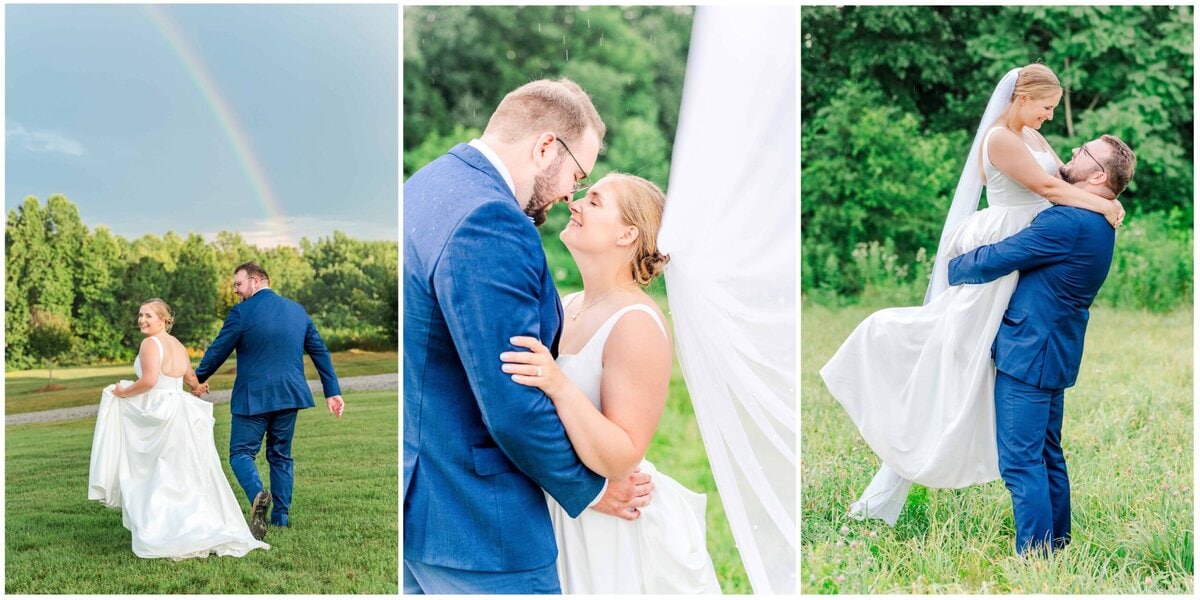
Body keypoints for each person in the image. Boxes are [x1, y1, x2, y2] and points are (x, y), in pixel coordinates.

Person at [819, 64, 1125, 525]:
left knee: (986, 368)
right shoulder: (1001, 138)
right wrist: (1105, 202)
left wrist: (1102, 194)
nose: (1050, 117)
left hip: (1034, 244)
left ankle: (1040, 547)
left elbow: (1062, 179)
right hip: (1012, 236)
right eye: (1046, 107)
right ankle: (904, 392)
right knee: (955, 341)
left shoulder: (1038, 140)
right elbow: (1046, 187)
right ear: (1023, 97)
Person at [403, 78, 653, 594]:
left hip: (424, 502)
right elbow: (511, 403)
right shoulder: (491, 220)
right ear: (545, 147)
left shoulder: (425, 184)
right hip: (482, 526)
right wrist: (588, 488)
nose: (570, 196)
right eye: (577, 176)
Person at [500, 173, 721, 593]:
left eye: (595, 201)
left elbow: (622, 456)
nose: (575, 204)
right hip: (558, 508)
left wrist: (557, 384)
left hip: (610, 529)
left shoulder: (635, 323)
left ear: (628, 234)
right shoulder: (567, 306)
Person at [948, 134, 1136, 554]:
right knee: (1047, 453)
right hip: (1054, 350)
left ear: (1099, 175)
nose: (1072, 152)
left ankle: (1036, 558)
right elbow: (1050, 160)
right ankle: (1059, 545)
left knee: (1021, 461)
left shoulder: (1068, 222)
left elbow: (1001, 256)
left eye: (1084, 153)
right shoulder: (1096, 219)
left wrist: (950, 267)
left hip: (1030, 353)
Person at [88, 299, 269, 559]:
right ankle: (192, 525)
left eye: (148, 315)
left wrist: (124, 392)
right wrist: (197, 388)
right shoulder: (178, 345)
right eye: (140, 315)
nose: (142, 320)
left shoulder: (150, 344)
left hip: (160, 413)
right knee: (182, 473)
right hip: (180, 411)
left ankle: (167, 531)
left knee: (156, 474)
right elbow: (191, 378)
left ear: (164, 319)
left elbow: (149, 381)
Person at [192, 261, 344, 540]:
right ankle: (281, 517)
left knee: (240, 453)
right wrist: (332, 391)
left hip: (254, 397)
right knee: (280, 454)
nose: (236, 291)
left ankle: (257, 496)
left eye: (238, 284)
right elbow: (320, 352)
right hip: (290, 395)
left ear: (256, 281)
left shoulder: (241, 313)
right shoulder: (297, 311)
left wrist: (195, 379)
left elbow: (218, 351)